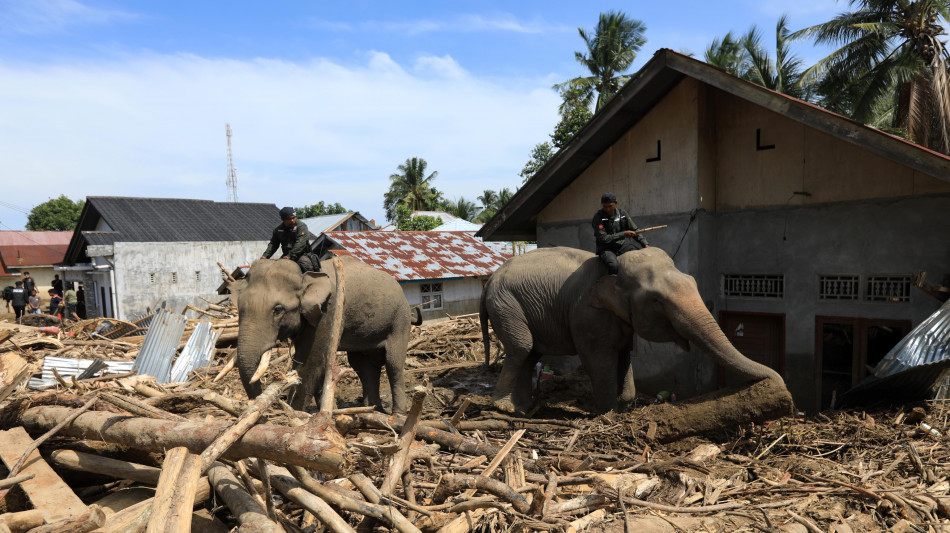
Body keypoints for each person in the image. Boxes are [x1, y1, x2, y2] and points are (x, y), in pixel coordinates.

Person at [592, 192, 649, 276]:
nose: (607, 209)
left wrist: (645, 244)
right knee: (613, 266)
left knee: (640, 257)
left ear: (615, 203)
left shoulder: (622, 214)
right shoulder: (598, 217)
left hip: (621, 245)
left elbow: (635, 230)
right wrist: (623, 234)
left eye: (610, 206)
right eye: (605, 206)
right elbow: (603, 238)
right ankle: (610, 285)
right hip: (606, 248)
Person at [261, 206, 320, 273]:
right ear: (283, 220)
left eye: (293, 218)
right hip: (286, 256)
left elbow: (300, 243)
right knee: (275, 270)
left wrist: (290, 256)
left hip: (302, 254)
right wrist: (265, 256)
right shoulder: (278, 230)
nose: (292, 221)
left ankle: (309, 282)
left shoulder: (301, 227)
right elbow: (273, 244)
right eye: (289, 219)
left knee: (306, 265)